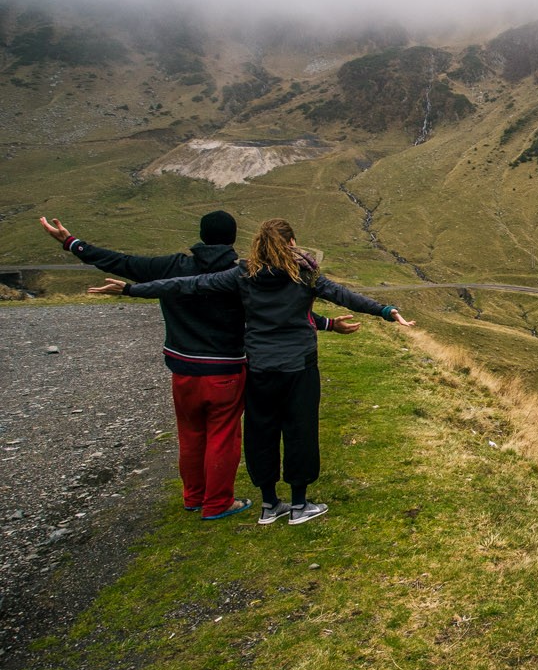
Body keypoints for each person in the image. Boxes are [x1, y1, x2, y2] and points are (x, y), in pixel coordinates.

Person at [89, 218, 414, 525]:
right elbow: (346, 297)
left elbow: (188, 285)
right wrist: (386, 311)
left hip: (259, 367)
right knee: (300, 430)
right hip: (299, 366)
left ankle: (269, 504)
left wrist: (132, 290)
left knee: (263, 432)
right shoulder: (306, 275)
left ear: (258, 244)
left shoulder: (242, 275)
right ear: (291, 243)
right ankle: (300, 504)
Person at [41, 213, 357, 520]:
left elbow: (120, 262)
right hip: (225, 370)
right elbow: (279, 313)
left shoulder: (169, 267)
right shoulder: (243, 274)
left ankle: (193, 497)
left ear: (202, 236)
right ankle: (218, 502)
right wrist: (327, 323)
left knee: (191, 435)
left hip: (183, 370)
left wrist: (72, 243)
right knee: (224, 435)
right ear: (234, 238)